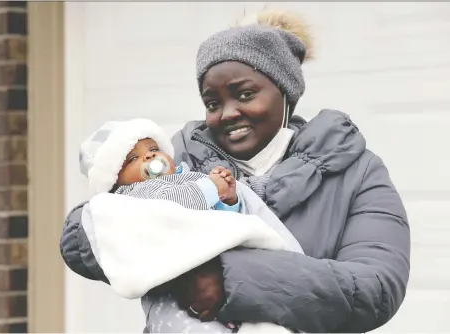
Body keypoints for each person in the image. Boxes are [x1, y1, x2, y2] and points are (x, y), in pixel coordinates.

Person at [60, 9, 410, 333]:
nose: (226, 114)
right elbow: (82, 236)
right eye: (213, 103)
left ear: (285, 92)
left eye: (245, 94)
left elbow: (375, 288)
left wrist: (229, 279)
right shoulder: (183, 157)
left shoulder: (355, 171)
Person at [76, 117, 304, 333]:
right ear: (115, 180)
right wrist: (211, 189)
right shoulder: (132, 196)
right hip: (176, 299)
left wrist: (229, 201)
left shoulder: (189, 178)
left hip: (223, 279)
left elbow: (223, 222)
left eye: (153, 150)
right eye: (132, 159)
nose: (148, 157)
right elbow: (173, 205)